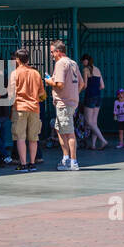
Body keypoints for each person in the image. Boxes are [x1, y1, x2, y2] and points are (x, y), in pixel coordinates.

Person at [44, 40, 82, 169]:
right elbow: (81, 84)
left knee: (69, 132)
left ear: (58, 52)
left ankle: (73, 161)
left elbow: (59, 84)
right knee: (61, 130)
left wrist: (49, 82)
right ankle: (66, 158)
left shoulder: (60, 63)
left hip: (63, 103)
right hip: (70, 102)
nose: (51, 55)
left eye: (51, 52)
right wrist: (73, 94)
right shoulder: (73, 63)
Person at [8, 48, 44, 173]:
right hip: (34, 108)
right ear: (28, 59)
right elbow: (42, 94)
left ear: (17, 59)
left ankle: (23, 164)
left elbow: (11, 93)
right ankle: (32, 163)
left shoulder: (15, 73)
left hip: (19, 108)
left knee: (20, 137)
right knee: (33, 137)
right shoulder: (36, 73)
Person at [80, 54, 107, 150]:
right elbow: (102, 86)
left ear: (86, 61)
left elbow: (85, 85)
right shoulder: (98, 69)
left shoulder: (86, 70)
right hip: (98, 96)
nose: (82, 63)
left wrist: (78, 90)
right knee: (94, 122)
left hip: (90, 96)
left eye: (82, 61)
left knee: (88, 121)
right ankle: (94, 145)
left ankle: (103, 140)